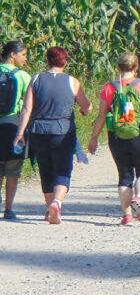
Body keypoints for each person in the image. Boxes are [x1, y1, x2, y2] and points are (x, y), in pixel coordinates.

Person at [14, 47, 92, 224]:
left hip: (38, 131)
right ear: (65, 62)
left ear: (47, 60)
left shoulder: (36, 78)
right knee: (62, 170)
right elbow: (87, 106)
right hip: (62, 131)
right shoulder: (72, 82)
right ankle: (57, 203)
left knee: (45, 170)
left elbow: (27, 109)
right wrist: (83, 111)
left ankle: (50, 210)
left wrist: (20, 133)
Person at [88, 52, 140, 226]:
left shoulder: (110, 88)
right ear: (136, 68)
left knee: (124, 175)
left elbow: (101, 116)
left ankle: (127, 216)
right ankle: (139, 198)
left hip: (117, 135)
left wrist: (93, 138)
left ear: (118, 67)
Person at [0, 41, 31, 220]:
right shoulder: (23, 76)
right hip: (13, 125)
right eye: (23, 54)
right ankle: (9, 209)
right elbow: (29, 104)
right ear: (13, 54)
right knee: (13, 170)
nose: (25, 58)